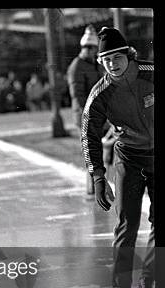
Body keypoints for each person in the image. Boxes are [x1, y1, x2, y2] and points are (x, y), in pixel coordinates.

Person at [81, 27, 154, 288]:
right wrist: (97, 176)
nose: (113, 63)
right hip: (129, 158)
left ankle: (151, 281)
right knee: (127, 223)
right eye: (106, 59)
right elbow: (89, 134)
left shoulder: (150, 73)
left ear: (128, 55)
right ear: (101, 63)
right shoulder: (100, 94)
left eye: (117, 57)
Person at [67, 25, 103, 195]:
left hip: (98, 114)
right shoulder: (77, 66)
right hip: (85, 116)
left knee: (99, 151)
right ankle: (93, 188)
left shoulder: (94, 64)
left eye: (95, 49)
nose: (93, 52)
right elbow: (77, 95)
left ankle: (99, 186)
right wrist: (87, 115)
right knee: (91, 151)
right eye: (91, 49)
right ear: (85, 48)